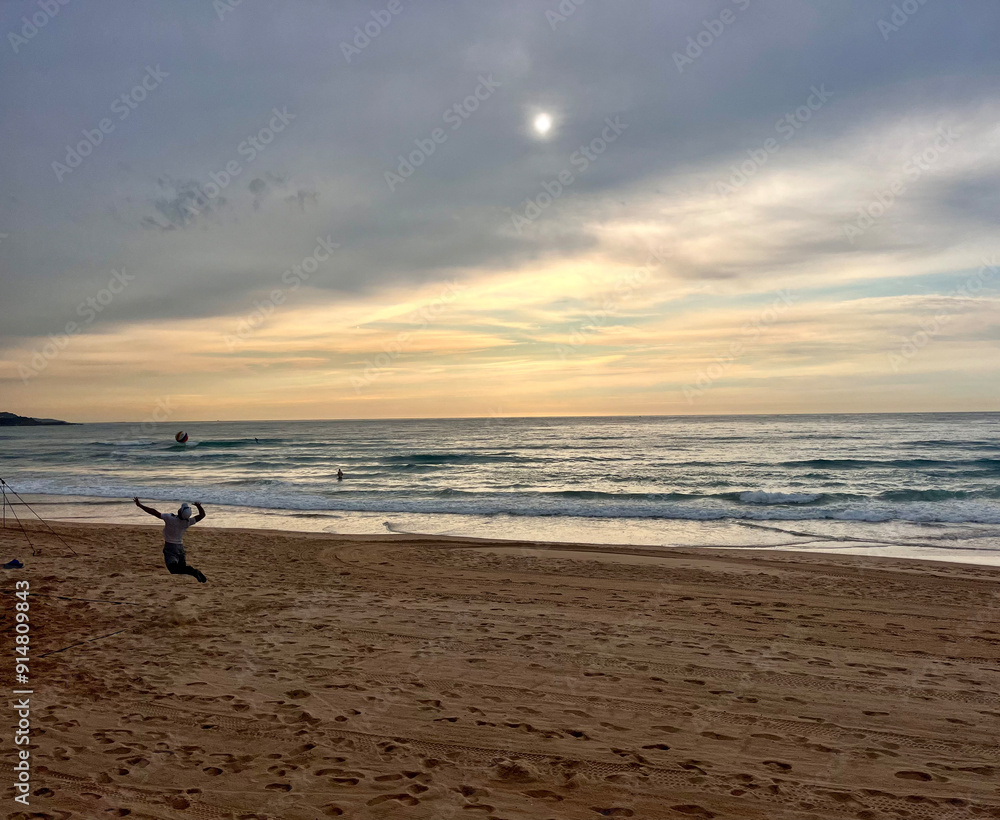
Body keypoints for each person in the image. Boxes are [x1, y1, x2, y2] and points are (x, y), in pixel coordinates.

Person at [133, 497, 208, 583]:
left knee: (173, 569)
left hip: (170, 547)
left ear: (180, 512)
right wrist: (199, 506)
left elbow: (154, 512)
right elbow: (202, 515)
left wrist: (140, 505)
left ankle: (194, 571)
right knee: (181, 569)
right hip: (180, 548)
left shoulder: (170, 518)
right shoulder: (187, 522)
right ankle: (193, 573)